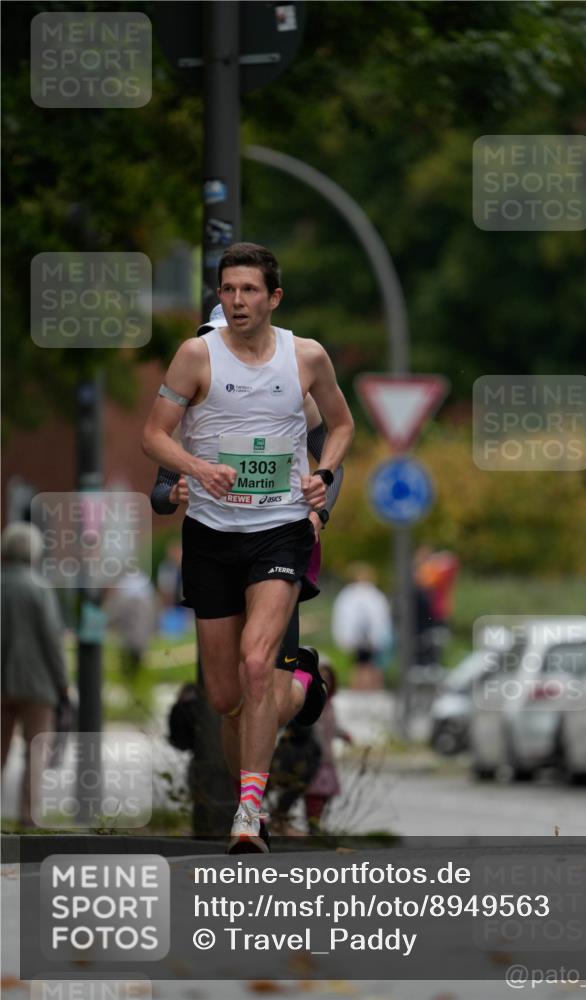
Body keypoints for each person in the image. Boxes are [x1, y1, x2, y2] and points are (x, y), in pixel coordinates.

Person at [142, 242, 354, 852]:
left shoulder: (304, 358)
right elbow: (153, 436)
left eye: (249, 290)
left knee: (259, 663)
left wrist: (325, 479)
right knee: (228, 695)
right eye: (228, 291)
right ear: (218, 297)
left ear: (273, 297)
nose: (236, 301)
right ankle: (305, 684)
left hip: (281, 527)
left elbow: (338, 426)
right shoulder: (194, 356)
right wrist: (193, 471)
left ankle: (248, 811)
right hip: (210, 534)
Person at [1, 523, 69, 827]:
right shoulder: (39, 589)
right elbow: (52, 641)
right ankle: (29, 817)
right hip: (38, 685)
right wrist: (63, 683)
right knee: (36, 752)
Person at [304, 660, 352, 833]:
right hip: (312, 757)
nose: (325, 682)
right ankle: (313, 824)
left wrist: (344, 735)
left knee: (325, 793)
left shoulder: (330, 705)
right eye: (321, 677)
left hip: (327, 757)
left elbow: (333, 726)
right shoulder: (309, 701)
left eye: (328, 679)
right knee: (314, 793)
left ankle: (317, 823)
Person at [331, 563, 392, 690]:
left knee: (370, 665)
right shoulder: (353, 595)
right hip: (358, 636)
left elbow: (380, 617)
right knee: (361, 665)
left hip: (369, 636)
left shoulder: (371, 595)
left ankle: (370, 690)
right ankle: (361, 689)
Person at [104, 569, 157, 679]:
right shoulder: (141, 582)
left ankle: (131, 673)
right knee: (135, 645)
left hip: (133, 619)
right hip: (139, 618)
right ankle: (134, 672)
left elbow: (115, 611)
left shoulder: (123, 583)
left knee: (131, 645)